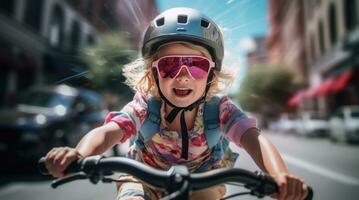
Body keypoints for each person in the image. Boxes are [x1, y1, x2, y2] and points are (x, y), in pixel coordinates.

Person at [44, 7, 309, 200]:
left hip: (204, 179)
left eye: (195, 66)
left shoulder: (221, 110)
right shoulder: (145, 107)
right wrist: (79, 154)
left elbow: (254, 139)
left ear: (211, 75)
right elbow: (108, 132)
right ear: (154, 74)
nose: (182, 75)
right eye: (170, 65)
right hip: (142, 178)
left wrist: (279, 176)